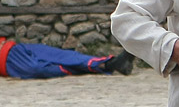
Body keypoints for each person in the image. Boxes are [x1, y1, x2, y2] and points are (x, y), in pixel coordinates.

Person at [0, 38, 133, 78]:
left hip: (14, 48)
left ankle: (110, 63)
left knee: (63, 56)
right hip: (8, 64)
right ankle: (109, 65)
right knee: (42, 69)